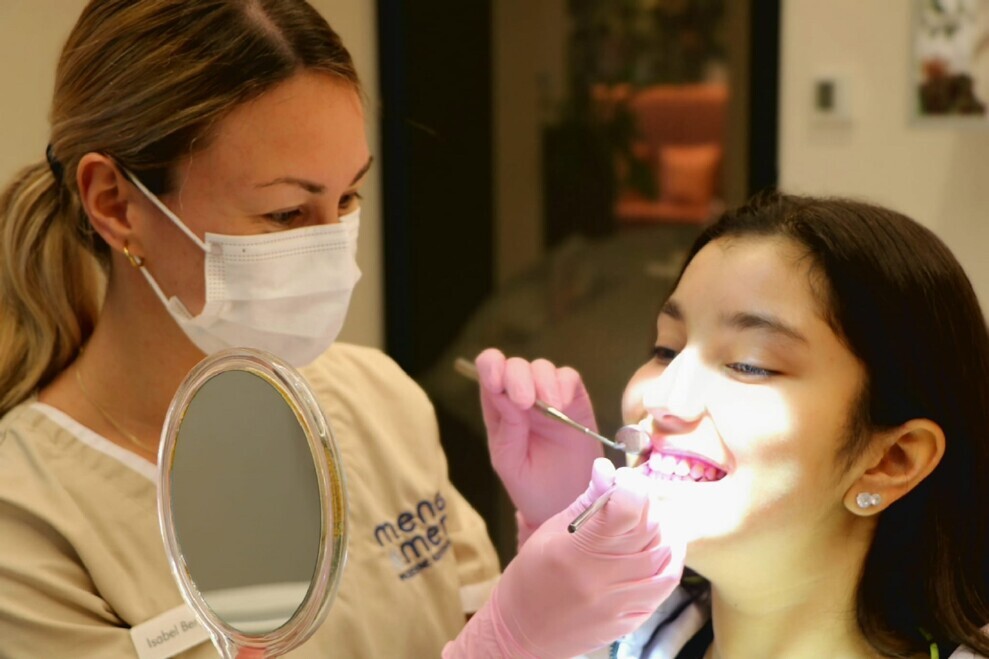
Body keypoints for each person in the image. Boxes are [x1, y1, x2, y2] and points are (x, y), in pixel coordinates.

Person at [0, 1, 684, 657]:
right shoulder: (28, 521)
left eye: (348, 197)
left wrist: (555, 547)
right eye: (285, 214)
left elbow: (491, 624)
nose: (334, 252)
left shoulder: (376, 400)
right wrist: (509, 641)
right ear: (116, 203)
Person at [474, 191, 989, 658]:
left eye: (749, 364)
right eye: (665, 349)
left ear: (890, 460)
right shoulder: (621, 641)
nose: (662, 396)